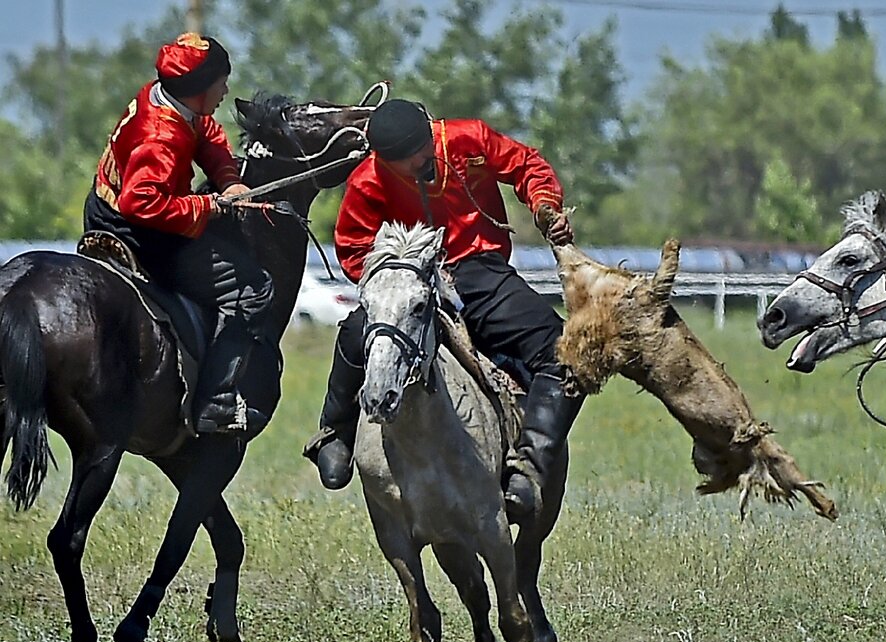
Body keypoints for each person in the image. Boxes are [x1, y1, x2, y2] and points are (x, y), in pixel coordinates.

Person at [303, 98, 579, 522]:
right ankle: (332, 433)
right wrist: (398, 278)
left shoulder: (468, 138)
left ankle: (529, 467)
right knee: (357, 330)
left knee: (566, 351)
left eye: (422, 151)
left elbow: (526, 164)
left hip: (480, 272)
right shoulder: (367, 180)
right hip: (410, 280)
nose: (420, 163)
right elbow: (354, 248)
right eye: (405, 162)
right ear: (383, 160)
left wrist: (545, 205)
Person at [83, 32, 272, 435]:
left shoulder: (166, 96)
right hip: (138, 230)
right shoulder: (161, 137)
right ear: (199, 90)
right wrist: (208, 205)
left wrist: (228, 180)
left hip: (103, 205)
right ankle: (216, 402)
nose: (225, 89)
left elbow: (207, 133)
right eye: (221, 82)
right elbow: (142, 204)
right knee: (253, 287)